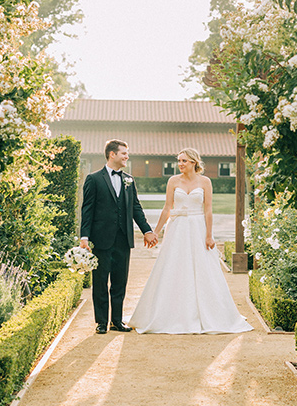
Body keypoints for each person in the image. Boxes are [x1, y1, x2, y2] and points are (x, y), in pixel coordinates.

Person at [126, 148, 252, 334]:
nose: (180, 164)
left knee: (202, 267)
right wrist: (155, 232)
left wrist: (209, 235)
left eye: (184, 160)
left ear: (194, 162)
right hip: (177, 228)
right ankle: (170, 312)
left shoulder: (205, 182)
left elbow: (208, 210)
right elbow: (167, 208)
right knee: (173, 266)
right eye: (179, 160)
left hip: (198, 227)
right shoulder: (173, 181)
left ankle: (208, 313)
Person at [80, 139, 158, 334]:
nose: (127, 156)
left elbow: (135, 208)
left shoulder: (129, 180)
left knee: (120, 282)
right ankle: (101, 322)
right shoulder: (94, 179)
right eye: (124, 153)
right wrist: (84, 237)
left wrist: (147, 230)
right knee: (100, 282)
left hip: (123, 239)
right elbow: (87, 210)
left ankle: (116, 321)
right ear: (112, 154)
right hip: (101, 239)